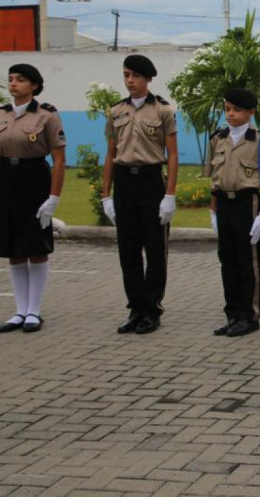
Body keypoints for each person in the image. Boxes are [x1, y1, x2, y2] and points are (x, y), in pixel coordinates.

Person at [101, 54, 179, 334]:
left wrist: (170, 194)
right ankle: (135, 308)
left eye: (135, 75)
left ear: (148, 78)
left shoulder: (163, 110)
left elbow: (172, 154)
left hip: (151, 180)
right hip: (124, 181)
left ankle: (151, 309)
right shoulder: (116, 111)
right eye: (126, 75)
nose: (130, 80)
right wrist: (106, 194)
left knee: (155, 250)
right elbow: (110, 154)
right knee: (128, 250)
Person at [0, 64, 66, 334]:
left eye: (20, 80)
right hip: (5, 180)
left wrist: (53, 197)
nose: (13, 83)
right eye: (10, 79)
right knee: (13, 247)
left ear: (34, 85)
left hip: (33, 179)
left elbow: (59, 160)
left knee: (35, 245)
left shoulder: (47, 116)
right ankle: (20, 310)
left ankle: (34, 310)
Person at [205, 88, 260, 337]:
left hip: (248, 204)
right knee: (228, 261)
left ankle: (250, 315)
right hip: (224, 203)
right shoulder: (218, 139)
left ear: (251, 112)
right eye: (227, 109)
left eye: (237, 110)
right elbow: (214, 178)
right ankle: (233, 314)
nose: (231, 114)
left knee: (248, 263)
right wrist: (213, 210)